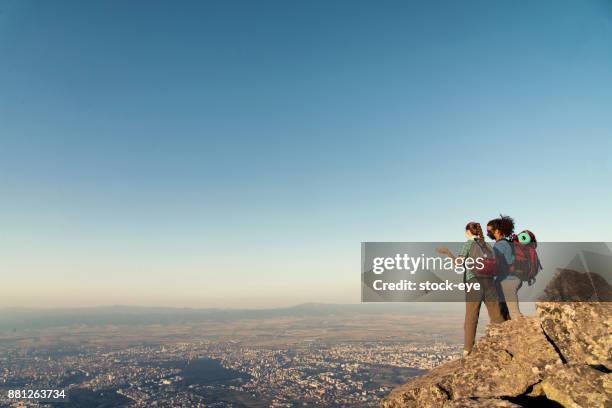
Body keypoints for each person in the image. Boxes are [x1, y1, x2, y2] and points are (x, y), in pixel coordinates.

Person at [437, 222, 505, 356]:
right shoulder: (487, 245)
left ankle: (467, 350)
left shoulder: (468, 244)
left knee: (471, 317)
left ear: (468, 231)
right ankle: (503, 341)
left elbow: (458, 264)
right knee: (496, 316)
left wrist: (447, 252)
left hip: (474, 282)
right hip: (490, 283)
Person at [486, 215, 522, 320]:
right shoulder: (508, 243)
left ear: (497, 231)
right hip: (512, 279)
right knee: (508, 313)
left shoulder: (500, 245)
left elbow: (493, 263)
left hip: (507, 281)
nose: (488, 233)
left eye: (489, 231)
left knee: (514, 314)